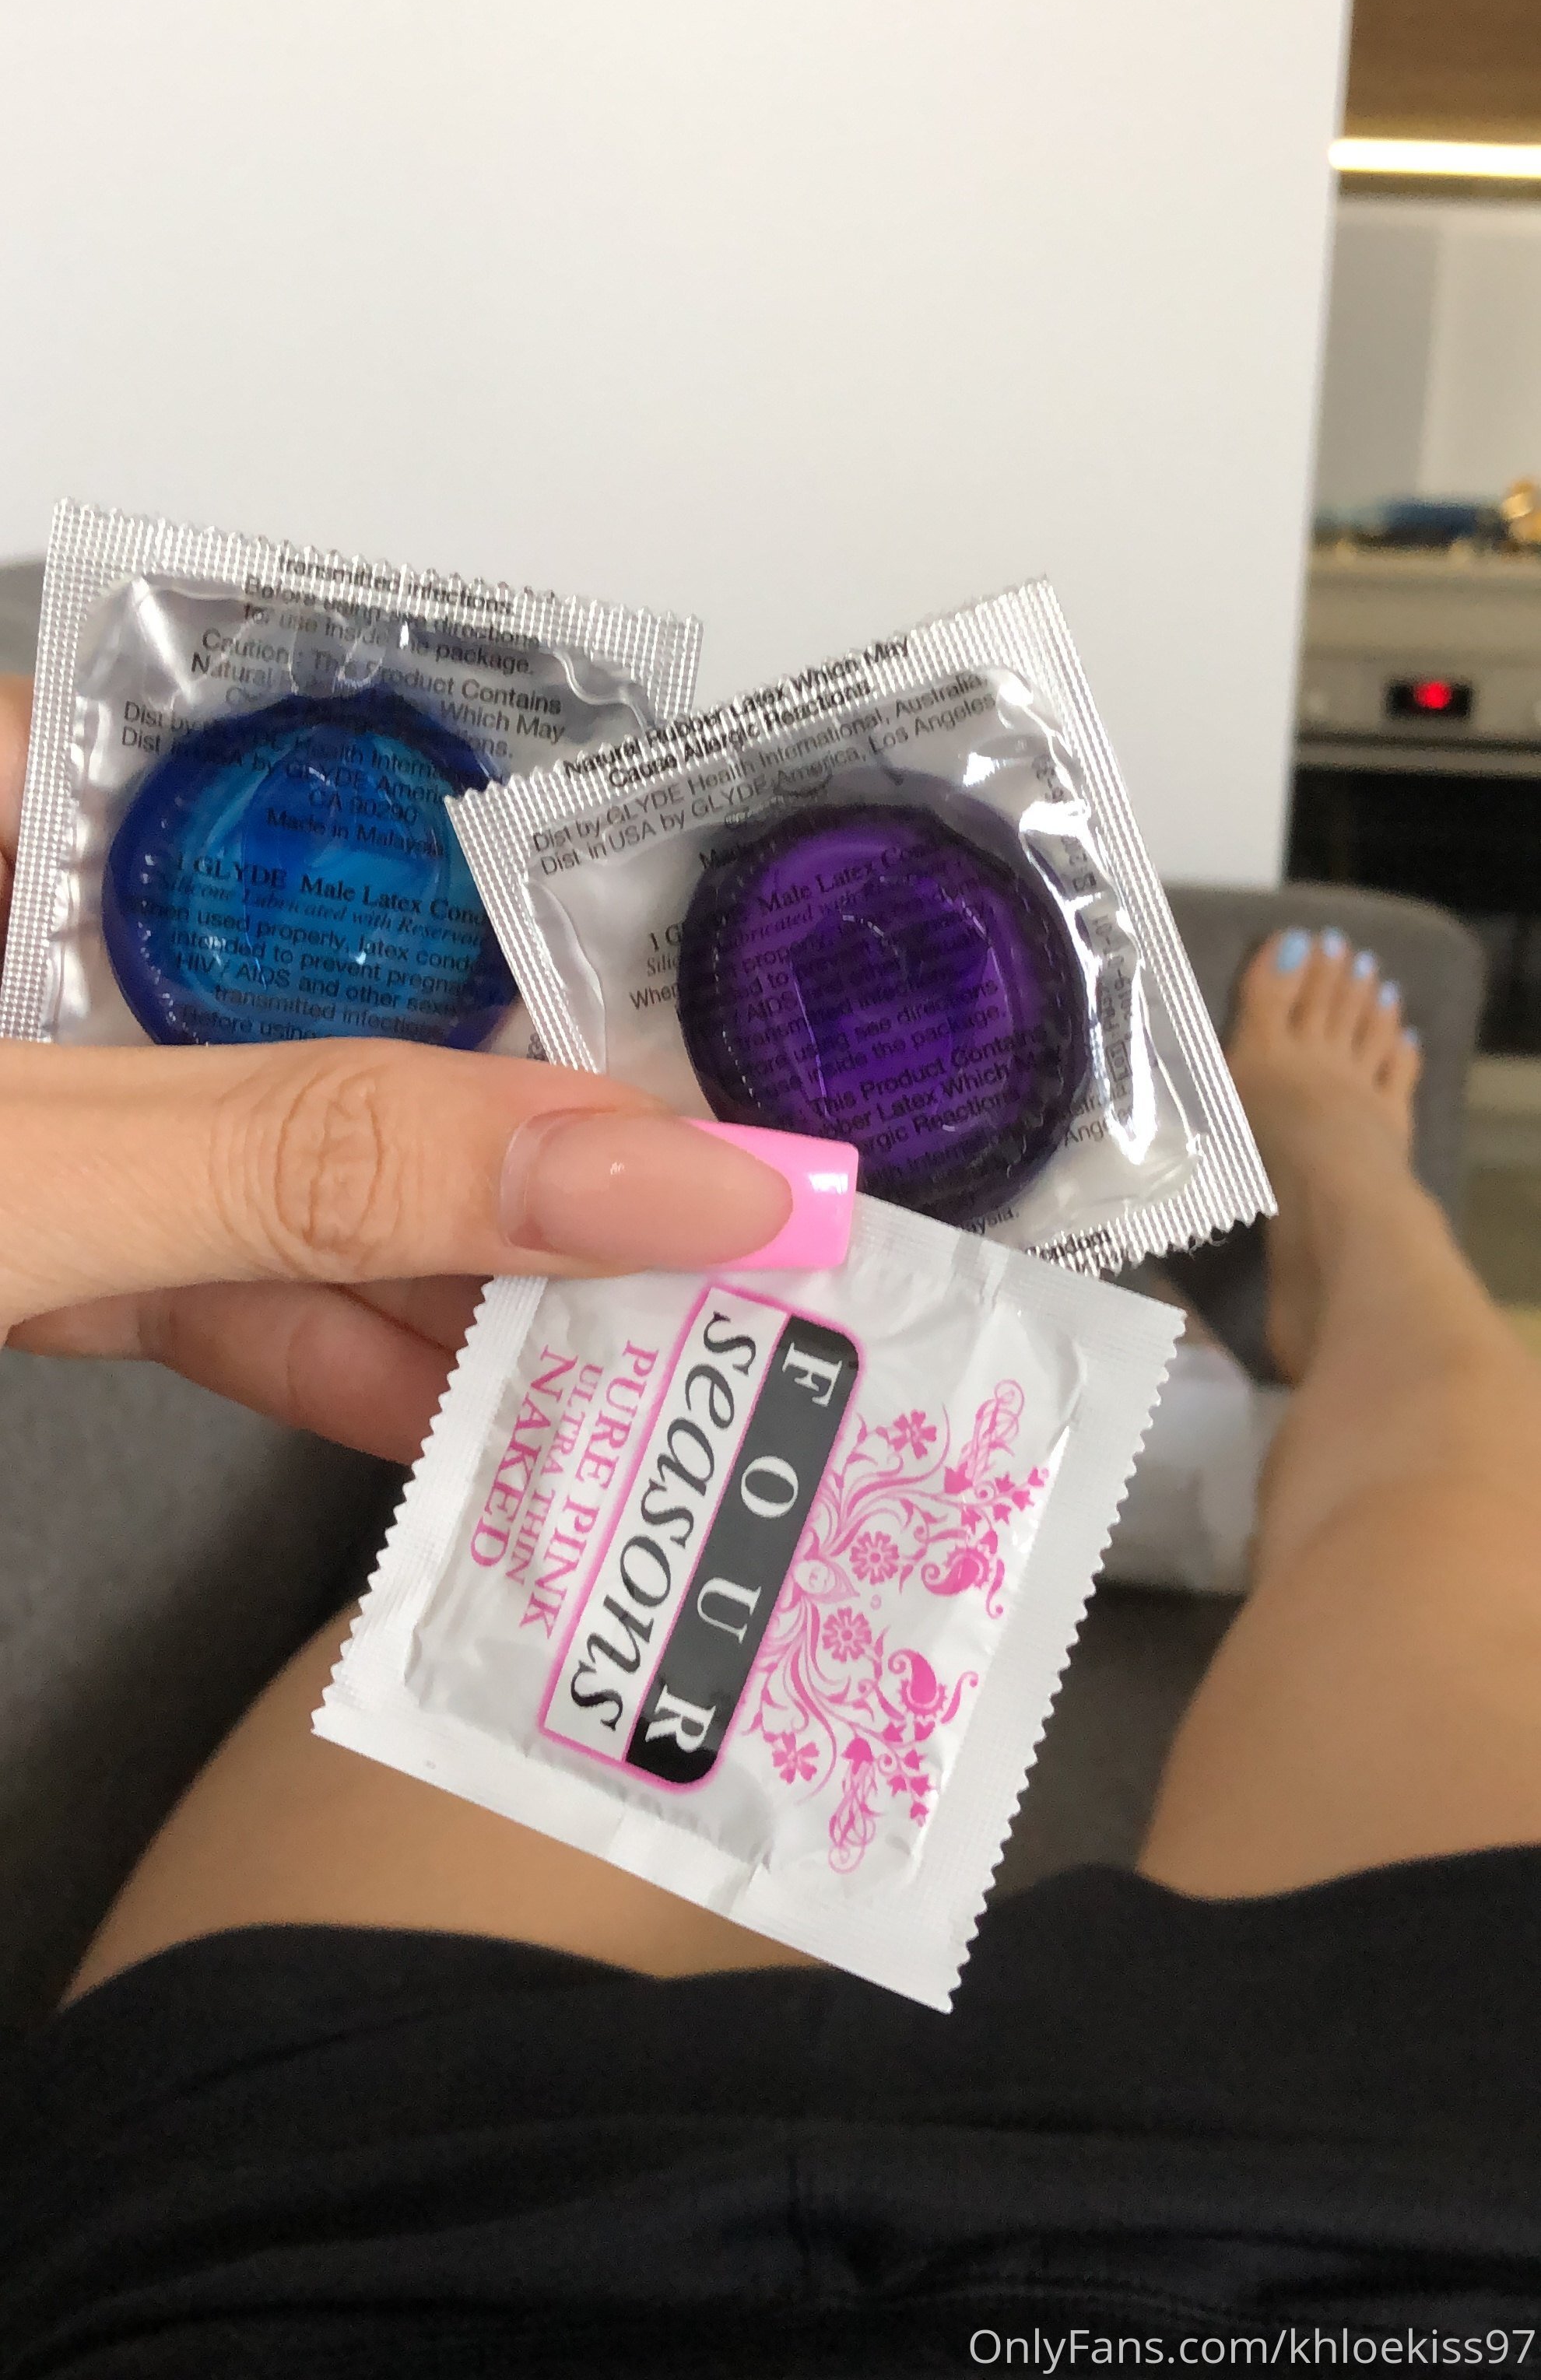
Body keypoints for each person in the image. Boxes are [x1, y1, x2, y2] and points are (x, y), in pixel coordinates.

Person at [2, 659, 1540, 2371]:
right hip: (1440, 2197)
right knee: (1453, 1486)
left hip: (378, 2221)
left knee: (648, 1473)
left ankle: (1304, 1226)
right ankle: (1367, 1226)